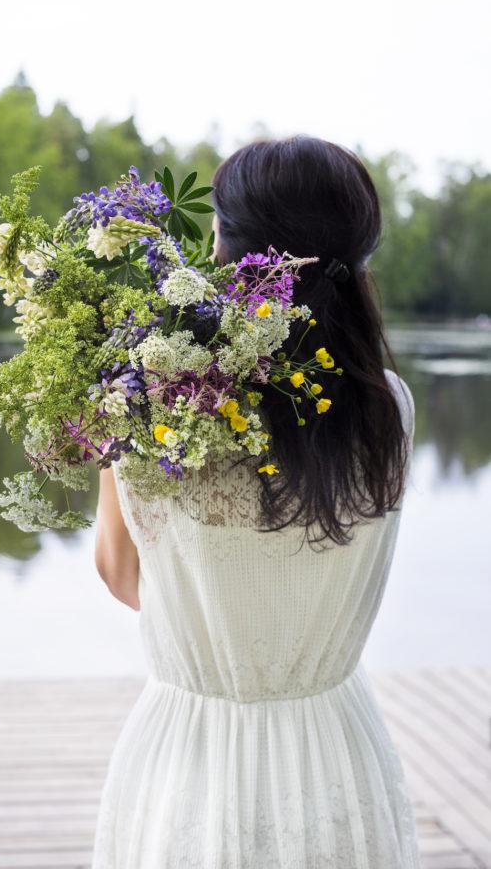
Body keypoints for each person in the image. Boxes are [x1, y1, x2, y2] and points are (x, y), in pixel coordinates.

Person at [92, 136, 420, 868]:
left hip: (190, 750)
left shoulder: (147, 405)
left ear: (230, 252)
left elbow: (120, 575)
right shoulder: (386, 407)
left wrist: (115, 396)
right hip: (332, 748)